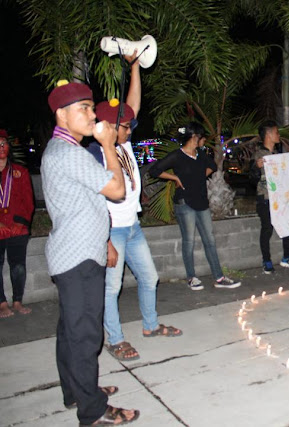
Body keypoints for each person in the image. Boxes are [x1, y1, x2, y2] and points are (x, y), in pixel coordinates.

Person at [42, 80, 138, 425]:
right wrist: (108, 145)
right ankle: (93, 411)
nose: (91, 113)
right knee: (85, 336)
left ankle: (77, 391)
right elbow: (115, 189)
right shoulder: (68, 153)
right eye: (82, 108)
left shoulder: (64, 151)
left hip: (75, 252)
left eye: (90, 107)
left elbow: (88, 204)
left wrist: (106, 241)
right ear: (61, 115)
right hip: (78, 257)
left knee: (71, 331)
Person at [88, 54, 181, 362]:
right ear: (110, 128)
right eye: (125, 125)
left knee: (149, 277)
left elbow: (133, 105)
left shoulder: (123, 143)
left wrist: (135, 67)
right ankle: (115, 340)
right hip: (111, 230)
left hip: (133, 227)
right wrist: (104, 241)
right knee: (111, 289)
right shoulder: (96, 154)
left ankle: (150, 326)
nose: (131, 128)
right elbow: (91, 203)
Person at [149, 122, 240, 290]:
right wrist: (175, 178)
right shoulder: (177, 155)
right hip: (185, 204)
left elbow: (212, 166)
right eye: (201, 137)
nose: (204, 140)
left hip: (202, 202)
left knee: (210, 241)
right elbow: (154, 170)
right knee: (189, 241)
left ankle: (219, 277)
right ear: (194, 138)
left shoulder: (200, 154)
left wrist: (198, 176)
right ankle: (191, 277)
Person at [250, 120, 289, 273]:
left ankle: (287, 257)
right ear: (269, 134)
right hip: (265, 198)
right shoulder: (259, 155)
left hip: (281, 198)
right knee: (267, 229)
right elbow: (252, 180)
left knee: (288, 226)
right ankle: (266, 260)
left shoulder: (277, 155)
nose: (279, 135)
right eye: (277, 132)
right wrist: (255, 168)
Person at [0, 129, 34, 318]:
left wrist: (19, 223)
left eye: (4, 143)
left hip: (17, 228)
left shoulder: (20, 172)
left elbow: (28, 201)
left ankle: (17, 301)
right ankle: (2, 304)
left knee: (18, 265)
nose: (1, 147)